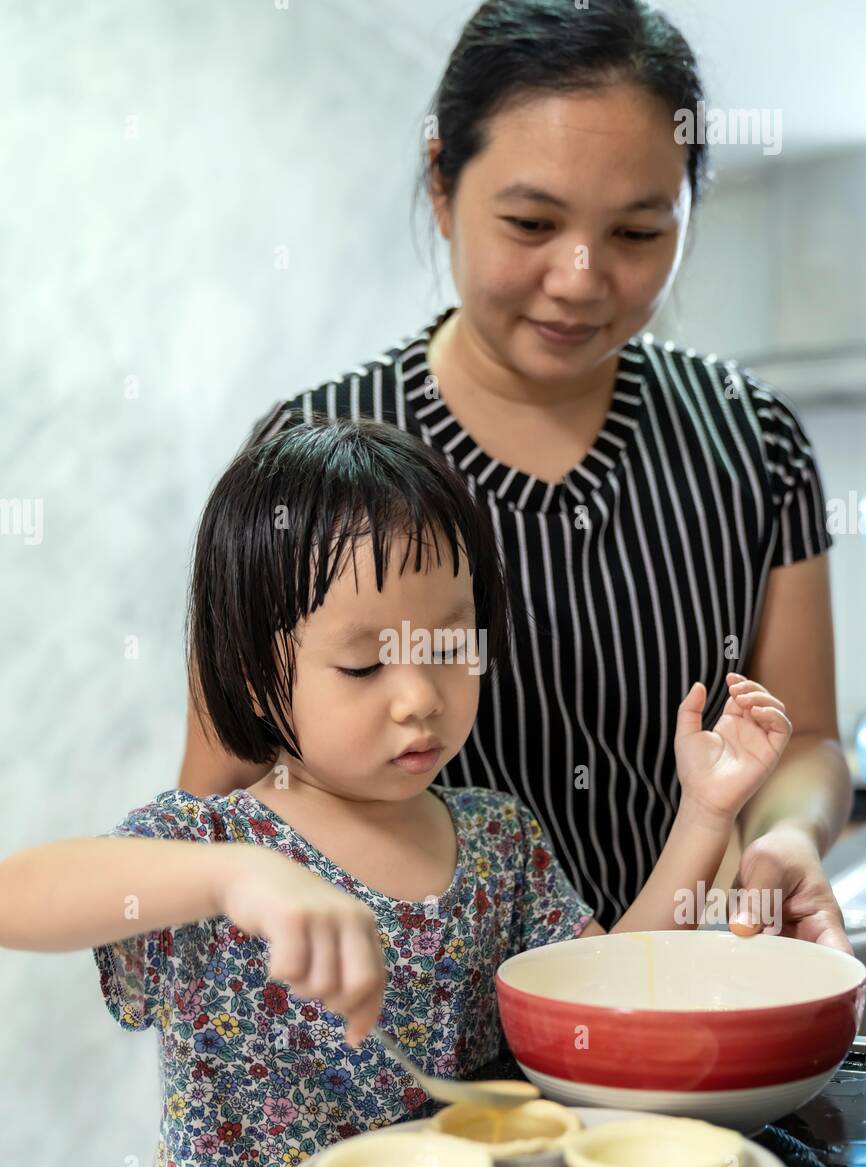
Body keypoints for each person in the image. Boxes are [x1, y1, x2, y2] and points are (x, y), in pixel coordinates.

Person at [0, 418, 793, 1167]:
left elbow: (598, 1004)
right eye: (364, 665)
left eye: (448, 647)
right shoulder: (213, 841)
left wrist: (707, 815)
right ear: (257, 674)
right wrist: (233, 878)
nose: (419, 697)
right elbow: (19, 894)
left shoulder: (497, 840)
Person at [179, 0, 852, 955]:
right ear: (444, 186)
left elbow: (811, 737)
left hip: (681, 1001)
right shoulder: (318, 448)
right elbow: (218, 788)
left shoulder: (754, 438)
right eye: (532, 222)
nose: (579, 278)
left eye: (635, 234)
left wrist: (783, 832)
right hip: (404, 1054)